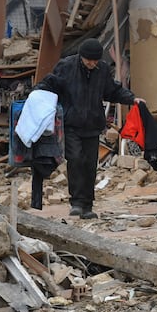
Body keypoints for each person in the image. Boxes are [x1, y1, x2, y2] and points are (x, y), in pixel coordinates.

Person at [34, 38, 145, 219]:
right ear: (81, 57)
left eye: (95, 61)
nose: (92, 64)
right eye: (89, 61)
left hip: (93, 125)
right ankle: (76, 202)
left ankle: (88, 205)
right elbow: (50, 84)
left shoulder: (101, 70)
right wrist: (36, 95)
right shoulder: (66, 66)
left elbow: (113, 91)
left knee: (90, 165)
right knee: (76, 159)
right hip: (71, 124)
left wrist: (132, 99)